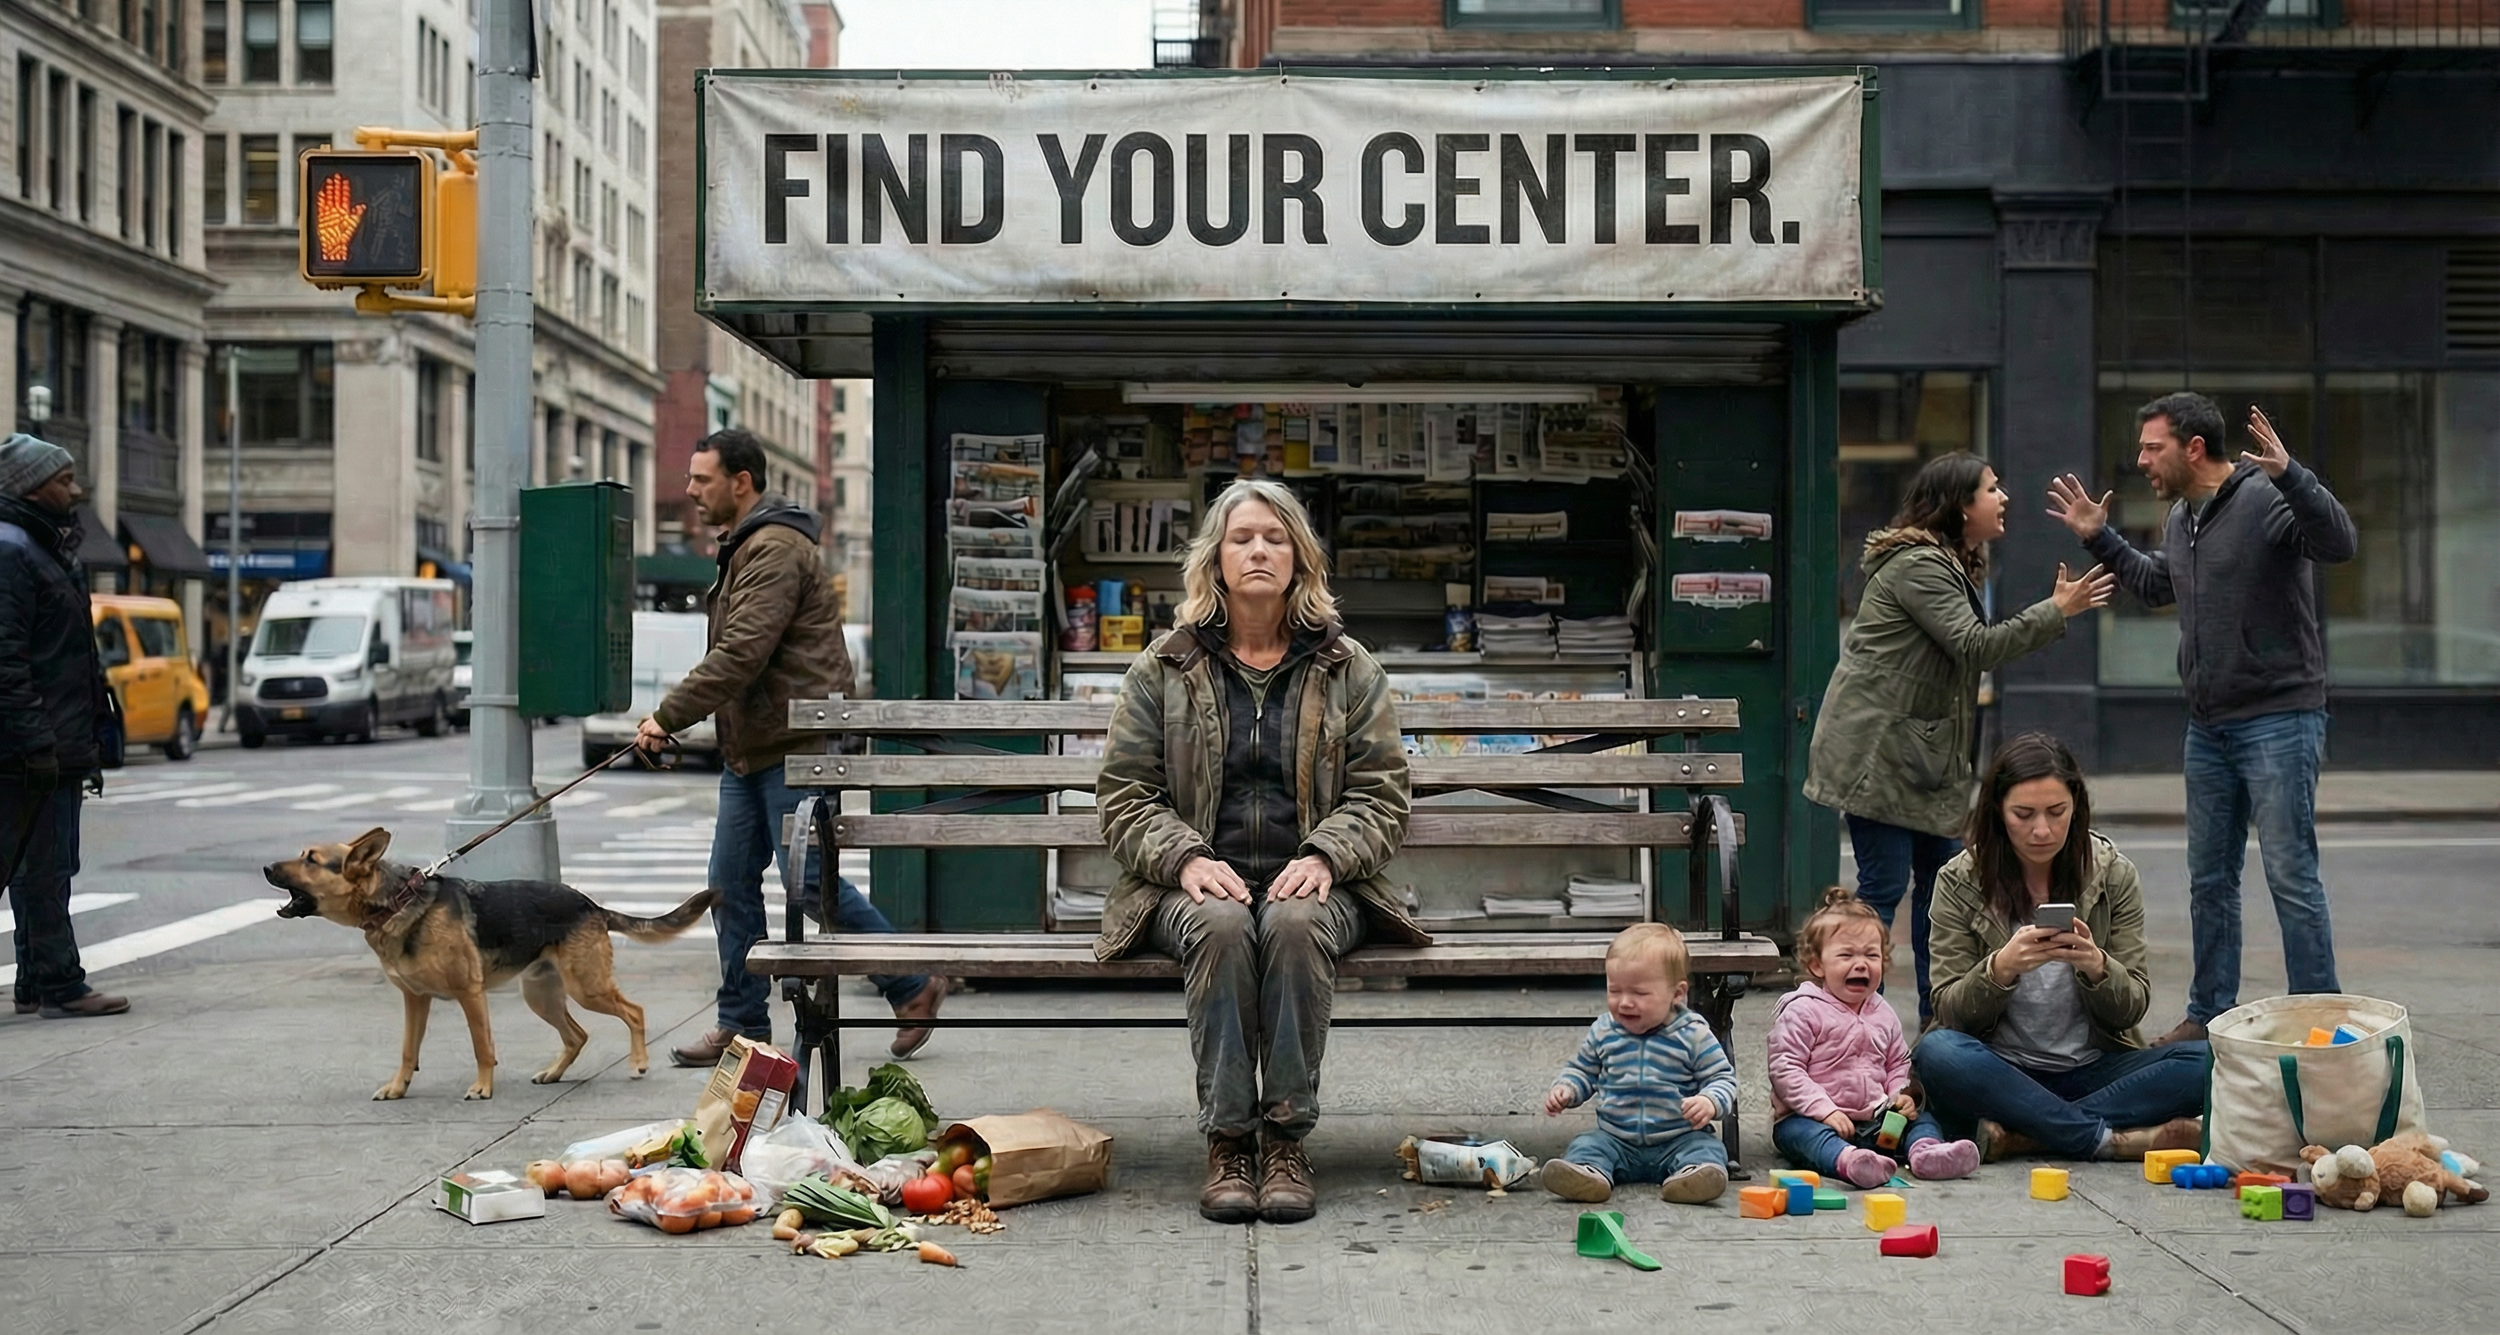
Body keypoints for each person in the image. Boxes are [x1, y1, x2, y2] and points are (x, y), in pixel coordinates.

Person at [1094, 478, 1424, 1226]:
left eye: (1275, 538)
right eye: (1242, 537)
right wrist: (1183, 858)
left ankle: (1284, 1139)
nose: (1259, 551)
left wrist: (1326, 857)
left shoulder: (1348, 667)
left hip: (1320, 885)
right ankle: (1229, 1140)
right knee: (1219, 923)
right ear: (1215, 560)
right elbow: (1123, 794)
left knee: (1294, 921)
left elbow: (1382, 793)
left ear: (1300, 559)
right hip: (1189, 888)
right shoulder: (1163, 668)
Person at [2048, 395, 2356, 1046]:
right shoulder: (2181, 517)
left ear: (2192, 447)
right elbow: (2160, 586)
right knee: (2209, 880)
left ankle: (2320, 1023)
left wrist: (2292, 475)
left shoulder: (2265, 499)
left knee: (2290, 873)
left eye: (2151, 447)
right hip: (2208, 726)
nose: (2140, 460)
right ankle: (2208, 1012)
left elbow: (2339, 542)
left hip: (2278, 716)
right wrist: (2097, 536)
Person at [634, 428, 941, 1067]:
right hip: (757, 746)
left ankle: (912, 982)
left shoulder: (772, 549)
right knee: (728, 883)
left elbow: (742, 652)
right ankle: (742, 1024)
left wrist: (667, 716)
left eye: (702, 479)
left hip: (799, 743)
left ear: (740, 481)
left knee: (808, 879)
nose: (690, 491)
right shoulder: (747, 545)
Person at [1806, 452, 2115, 1024]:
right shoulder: (1918, 565)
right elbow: (1974, 644)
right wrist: (2055, 610)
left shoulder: (1953, 561)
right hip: (1882, 756)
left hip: (1923, 761)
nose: (2003, 499)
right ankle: (1843, 1022)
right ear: (1958, 504)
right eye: (1991, 489)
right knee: (1884, 887)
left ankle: (1939, 1019)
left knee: (1944, 889)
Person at [1913, 732, 2207, 1162]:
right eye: (2023, 814)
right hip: (1999, 1070)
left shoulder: (2113, 875)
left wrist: (2097, 968)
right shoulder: (1960, 880)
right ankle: (2101, 1138)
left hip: (2094, 1069)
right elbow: (1949, 1010)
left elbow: (2132, 1008)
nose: (2041, 829)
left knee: (2211, 1061)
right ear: (1997, 813)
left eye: (2056, 812)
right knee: (1938, 1053)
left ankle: (2029, 1134)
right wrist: (1999, 970)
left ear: (2077, 807)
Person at [0, 434, 128, 1019]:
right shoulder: (13, 550)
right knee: (44, 868)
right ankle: (58, 983)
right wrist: (37, 743)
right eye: (63, 481)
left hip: (53, 741)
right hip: (29, 748)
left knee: (42, 868)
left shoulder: (41, 547)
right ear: (28, 486)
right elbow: (7, 661)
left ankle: (36, 981)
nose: (75, 490)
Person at [1768, 887, 1978, 1188]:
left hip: (1877, 1119)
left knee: (1924, 1119)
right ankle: (1848, 1162)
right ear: (1817, 965)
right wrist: (1824, 1110)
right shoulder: (1803, 1010)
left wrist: (1901, 1096)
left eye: (1871, 955)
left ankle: (1926, 1153)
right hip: (1814, 1118)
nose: (1861, 963)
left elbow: (1898, 1063)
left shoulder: (1882, 1012)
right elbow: (1785, 1070)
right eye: (1846, 955)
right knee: (1798, 1135)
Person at [1538, 922, 1738, 1205]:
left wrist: (1709, 1101)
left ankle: (1692, 1178)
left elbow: (1722, 1079)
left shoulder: (1693, 1034)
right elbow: (1583, 1070)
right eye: (1614, 991)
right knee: (1587, 1145)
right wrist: (1567, 1089)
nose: (1624, 1003)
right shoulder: (1604, 1031)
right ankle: (1589, 1175)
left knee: (1707, 1149)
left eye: (1639, 993)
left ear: (1677, 993)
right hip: (1617, 1139)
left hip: (1679, 1138)